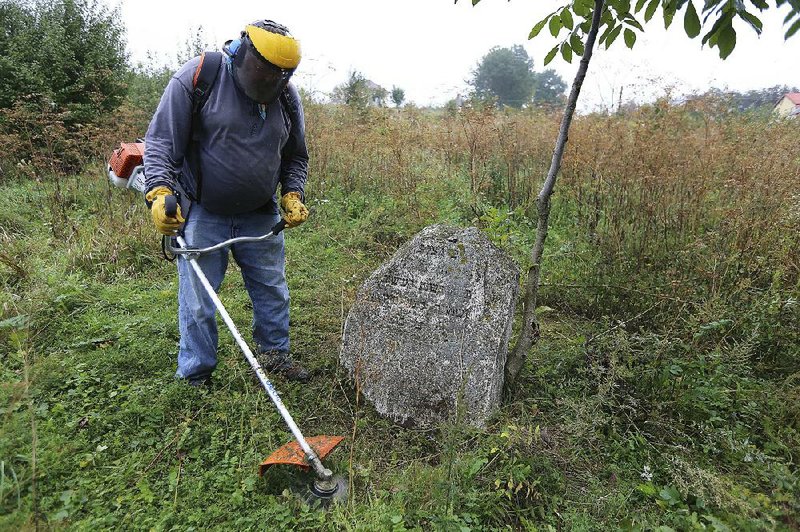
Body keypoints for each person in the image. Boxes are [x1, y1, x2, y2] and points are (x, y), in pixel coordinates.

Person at [143, 19, 311, 385]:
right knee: (199, 301)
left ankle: (274, 356)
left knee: (272, 291)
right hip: (203, 211)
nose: (271, 81)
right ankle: (196, 374)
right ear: (244, 54)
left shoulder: (285, 95)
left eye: (281, 75)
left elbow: (296, 155)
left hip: (260, 213)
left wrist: (292, 192)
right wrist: (159, 190)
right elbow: (159, 144)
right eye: (265, 72)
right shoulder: (200, 77)